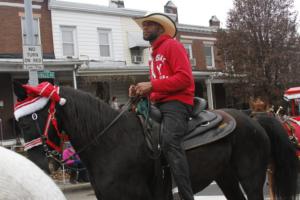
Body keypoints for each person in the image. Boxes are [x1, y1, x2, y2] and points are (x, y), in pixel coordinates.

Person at [130, 13, 195, 200]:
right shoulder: (154, 54)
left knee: (170, 141)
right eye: (144, 25)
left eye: (149, 24)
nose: (145, 27)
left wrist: (152, 85)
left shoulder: (172, 46)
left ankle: (186, 195)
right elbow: (160, 83)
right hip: (158, 103)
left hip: (178, 103)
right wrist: (141, 90)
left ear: (161, 28)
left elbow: (184, 78)